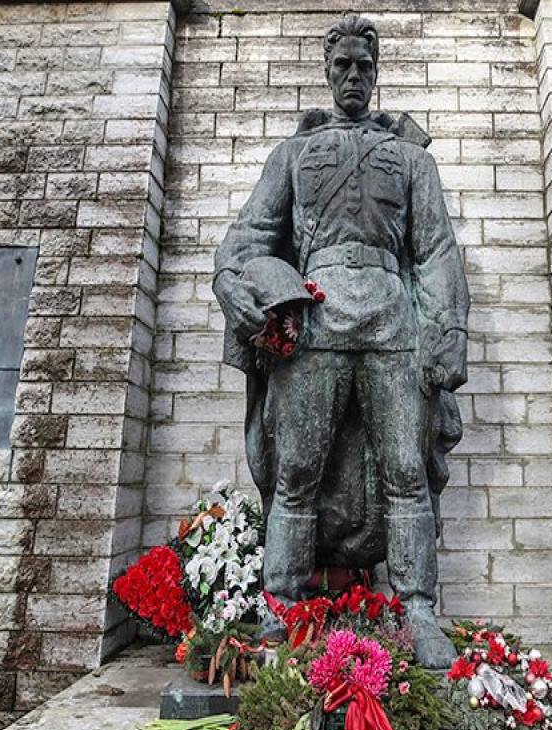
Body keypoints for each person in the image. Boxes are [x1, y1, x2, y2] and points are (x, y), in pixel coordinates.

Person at [212, 14, 469, 668]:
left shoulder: (411, 159)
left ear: (376, 74)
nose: (353, 77)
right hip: (318, 324)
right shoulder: (293, 155)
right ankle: (282, 607)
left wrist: (447, 332)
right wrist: (235, 286)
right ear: (327, 72)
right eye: (343, 66)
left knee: (407, 474)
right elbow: (247, 239)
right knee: (296, 473)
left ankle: (418, 610)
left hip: (392, 325)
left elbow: (437, 251)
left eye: (364, 67)